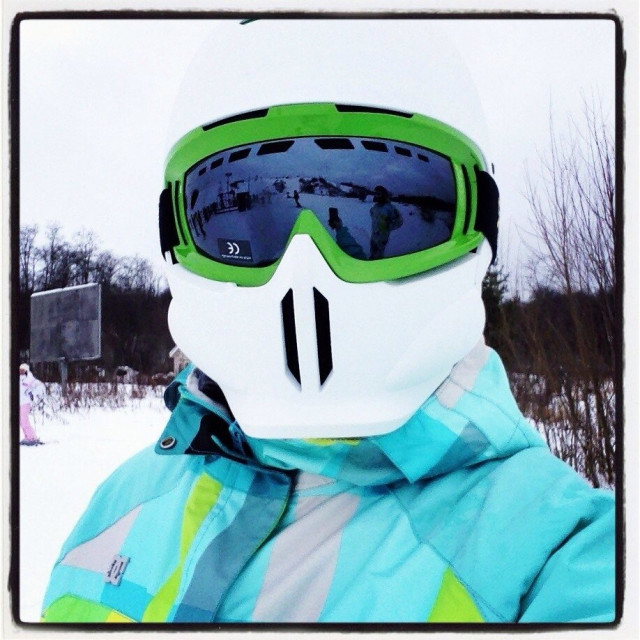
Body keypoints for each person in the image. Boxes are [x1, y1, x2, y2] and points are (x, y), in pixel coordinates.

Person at [41, 102, 615, 625]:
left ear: (475, 224)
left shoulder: (561, 552)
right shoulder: (120, 502)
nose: (305, 263)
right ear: (178, 230)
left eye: (374, 213)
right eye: (251, 221)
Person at [369, 185, 403, 259]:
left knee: (379, 256)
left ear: (383, 195)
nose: (376, 196)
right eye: (375, 194)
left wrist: (389, 225)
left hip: (382, 238)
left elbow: (399, 221)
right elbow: (372, 214)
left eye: (378, 194)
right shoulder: (374, 207)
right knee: (372, 253)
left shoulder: (390, 208)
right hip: (374, 236)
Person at [19, 363, 43, 446]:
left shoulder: (30, 379)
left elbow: (40, 387)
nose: (21, 371)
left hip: (25, 403)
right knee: (21, 421)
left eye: (23, 370)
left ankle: (31, 438)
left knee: (24, 420)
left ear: (26, 370)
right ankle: (28, 437)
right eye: (20, 369)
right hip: (18, 402)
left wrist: (32, 393)